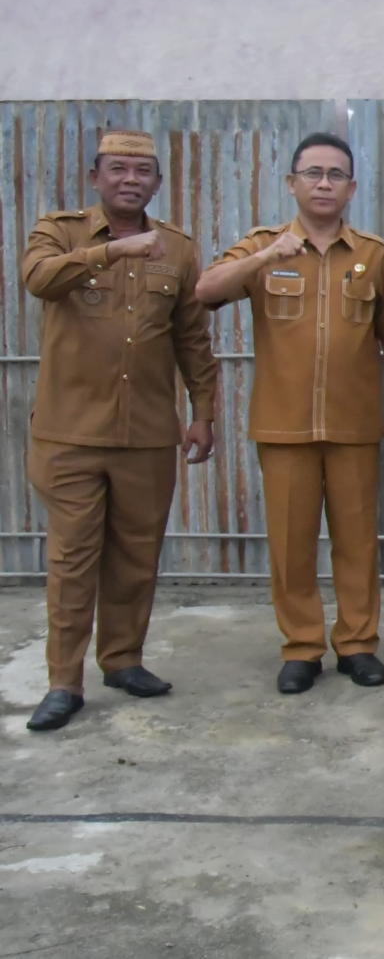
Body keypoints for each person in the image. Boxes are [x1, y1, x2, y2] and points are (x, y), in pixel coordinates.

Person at [196, 132, 384, 694]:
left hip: (353, 424)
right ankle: (301, 648)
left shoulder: (371, 253)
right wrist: (268, 256)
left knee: (358, 541)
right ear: (292, 182)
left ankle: (358, 645)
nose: (323, 183)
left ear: (351, 187)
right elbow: (205, 291)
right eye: (312, 173)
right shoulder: (264, 245)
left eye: (335, 174)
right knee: (291, 545)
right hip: (284, 424)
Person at [21, 131, 218, 732]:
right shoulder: (58, 232)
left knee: (136, 556)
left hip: (147, 435)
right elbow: (39, 279)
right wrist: (112, 253)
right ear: (95, 176)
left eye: (143, 171)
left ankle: (123, 659)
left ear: (158, 182)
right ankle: (64, 681)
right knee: (74, 558)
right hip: (70, 434)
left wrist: (204, 411)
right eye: (118, 169)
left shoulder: (178, 249)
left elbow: (191, 337)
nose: (130, 180)